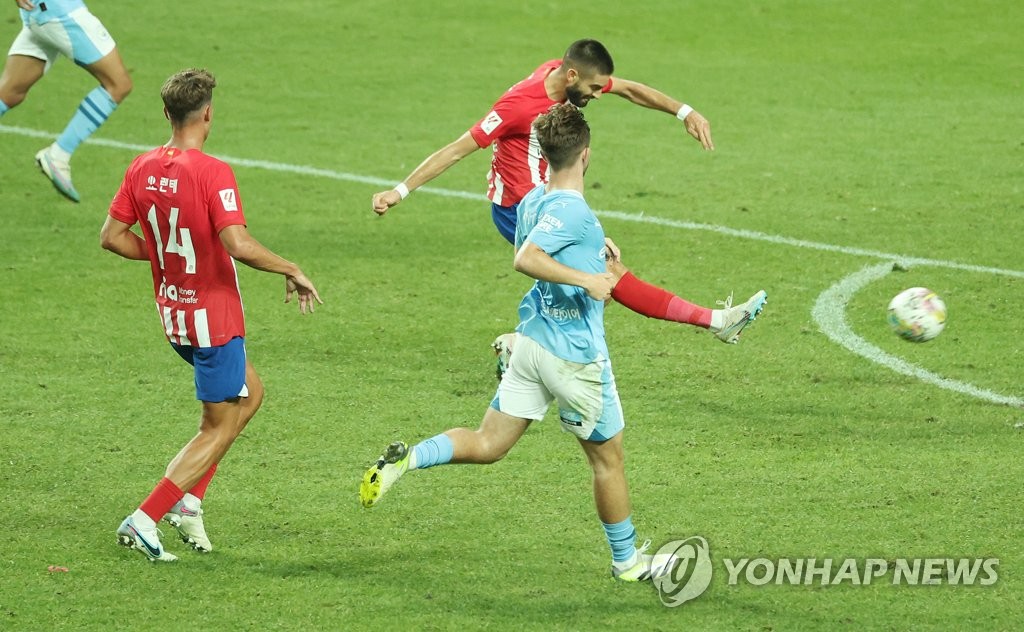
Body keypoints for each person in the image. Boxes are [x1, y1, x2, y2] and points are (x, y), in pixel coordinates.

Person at [360, 104, 764, 581]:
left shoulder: (532, 200)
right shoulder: (574, 212)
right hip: (574, 359)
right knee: (608, 461)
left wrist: (591, 253)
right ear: (586, 155)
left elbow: (532, 248)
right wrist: (586, 279)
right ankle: (628, 562)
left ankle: (408, 459)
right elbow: (527, 259)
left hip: (532, 346)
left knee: (489, 442)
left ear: (545, 155)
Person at [372, 39, 763, 362]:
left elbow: (628, 89)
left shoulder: (562, 76)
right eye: (593, 89)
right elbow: (458, 148)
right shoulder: (517, 107)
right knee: (606, 277)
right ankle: (715, 321)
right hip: (520, 211)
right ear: (572, 76)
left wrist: (684, 112)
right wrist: (399, 191)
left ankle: (524, 346)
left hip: (552, 198)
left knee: (599, 281)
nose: (596, 95)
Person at [101, 68, 322, 562]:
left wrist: (165, 257)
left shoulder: (140, 167)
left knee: (252, 391)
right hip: (213, 319)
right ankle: (146, 517)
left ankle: (191, 499)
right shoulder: (213, 171)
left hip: (175, 314)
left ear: (167, 114)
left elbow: (112, 237)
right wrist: (291, 268)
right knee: (216, 427)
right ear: (207, 113)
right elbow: (238, 244)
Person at [0, 0, 133, 202]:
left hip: (42, 13)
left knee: (9, 94)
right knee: (118, 84)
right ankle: (58, 155)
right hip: (60, 12)